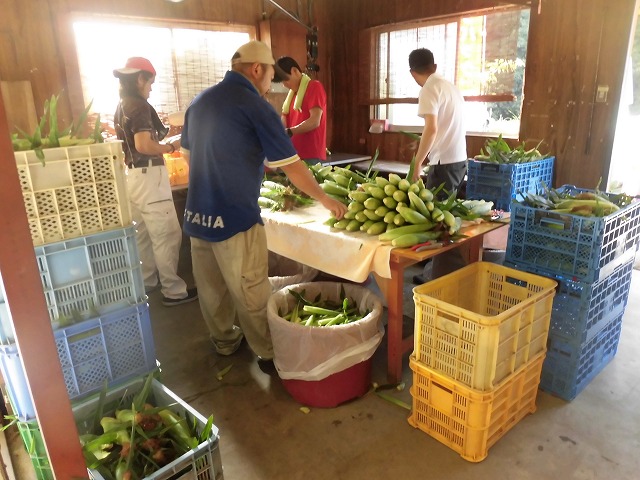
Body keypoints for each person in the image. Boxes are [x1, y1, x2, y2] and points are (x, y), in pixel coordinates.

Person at [180, 41, 346, 363]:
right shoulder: (255, 106)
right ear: (257, 69)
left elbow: (188, 154)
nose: (273, 81)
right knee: (250, 289)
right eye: (272, 73)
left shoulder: (200, 101)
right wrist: (325, 199)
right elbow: (293, 166)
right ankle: (268, 353)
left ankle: (225, 341)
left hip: (197, 216)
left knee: (212, 289)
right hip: (235, 218)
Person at [113, 57, 198, 307]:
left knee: (143, 234)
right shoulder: (138, 105)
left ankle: (147, 282)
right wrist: (171, 146)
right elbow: (143, 145)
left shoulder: (122, 104)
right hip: (149, 175)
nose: (150, 87)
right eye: (150, 82)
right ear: (140, 78)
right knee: (167, 233)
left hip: (133, 177)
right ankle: (173, 290)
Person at [408, 48, 468, 284]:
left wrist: (418, 164)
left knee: (439, 223)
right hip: (459, 160)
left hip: (444, 163)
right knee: (445, 217)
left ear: (413, 73)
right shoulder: (449, 87)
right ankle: (436, 272)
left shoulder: (429, 89)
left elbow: (431, 129)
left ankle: (446, 276)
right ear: (433, 66)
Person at [273, 56, 327, 164]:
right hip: (292, 154)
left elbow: (314, 121)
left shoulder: (314, 86)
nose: (284, 84)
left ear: (294, 71)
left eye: (285, 79)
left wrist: (289, 132)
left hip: (311, 154)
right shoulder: (292, 95)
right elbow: (284, 121)